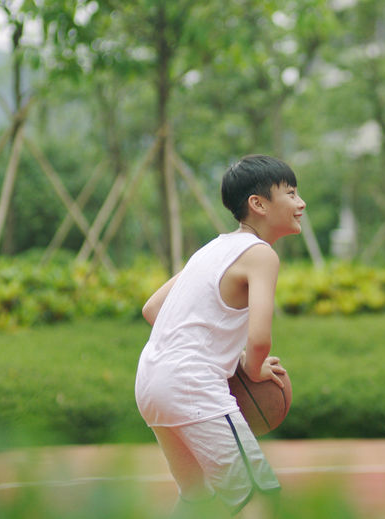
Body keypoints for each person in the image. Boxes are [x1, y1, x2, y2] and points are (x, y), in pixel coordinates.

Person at [135, 154, 306, 517]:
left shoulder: (212, 248)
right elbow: (259, 339)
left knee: (199, 500)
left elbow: (153, 309)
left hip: (151, 383)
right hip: (192, 387)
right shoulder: (261, 255)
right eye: (290, 193)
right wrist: (255, 369)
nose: (300, 202)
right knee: (258, 500)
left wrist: (228, 358)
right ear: (258, 204)